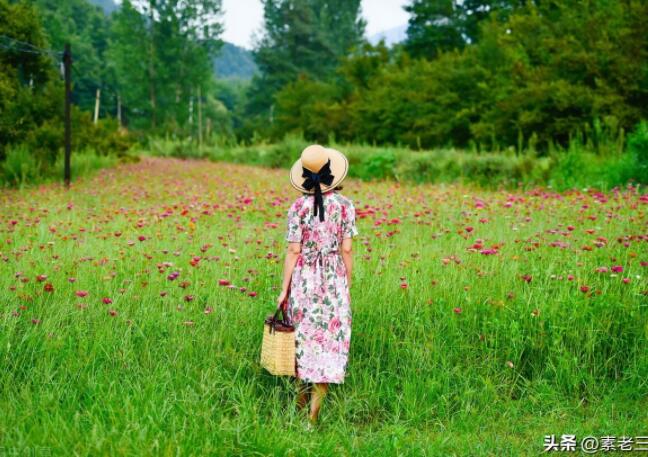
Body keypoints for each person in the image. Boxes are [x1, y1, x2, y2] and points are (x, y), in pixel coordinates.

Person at [276, 144, 358, 425]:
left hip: (304, 281)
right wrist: (346, 281)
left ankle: (298, 408)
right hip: (333, 280)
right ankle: (313, 417)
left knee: (303, 341)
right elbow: (347, 249)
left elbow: (293, 251)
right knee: (328, 343)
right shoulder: (346, 206)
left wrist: (284, 290)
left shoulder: (297, 207)